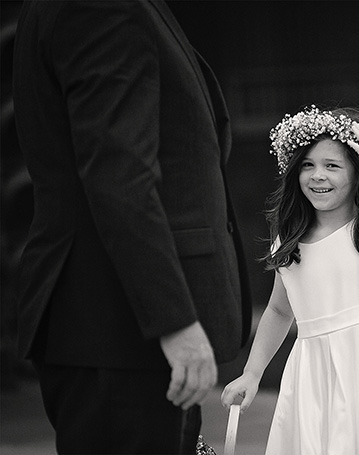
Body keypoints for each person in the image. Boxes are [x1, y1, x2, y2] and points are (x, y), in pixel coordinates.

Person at [12, 1, 251, 452]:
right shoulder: (98, 7)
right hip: (123, 329)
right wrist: (174, 322)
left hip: (114, 329)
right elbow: (119, 176)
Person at [221, 106, 359, 454]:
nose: (318, 176)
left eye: (332, 166)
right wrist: (252, 373)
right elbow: (278, 309)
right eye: (308, 165)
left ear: (358, 172)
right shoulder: (289, 236)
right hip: (313, 374)